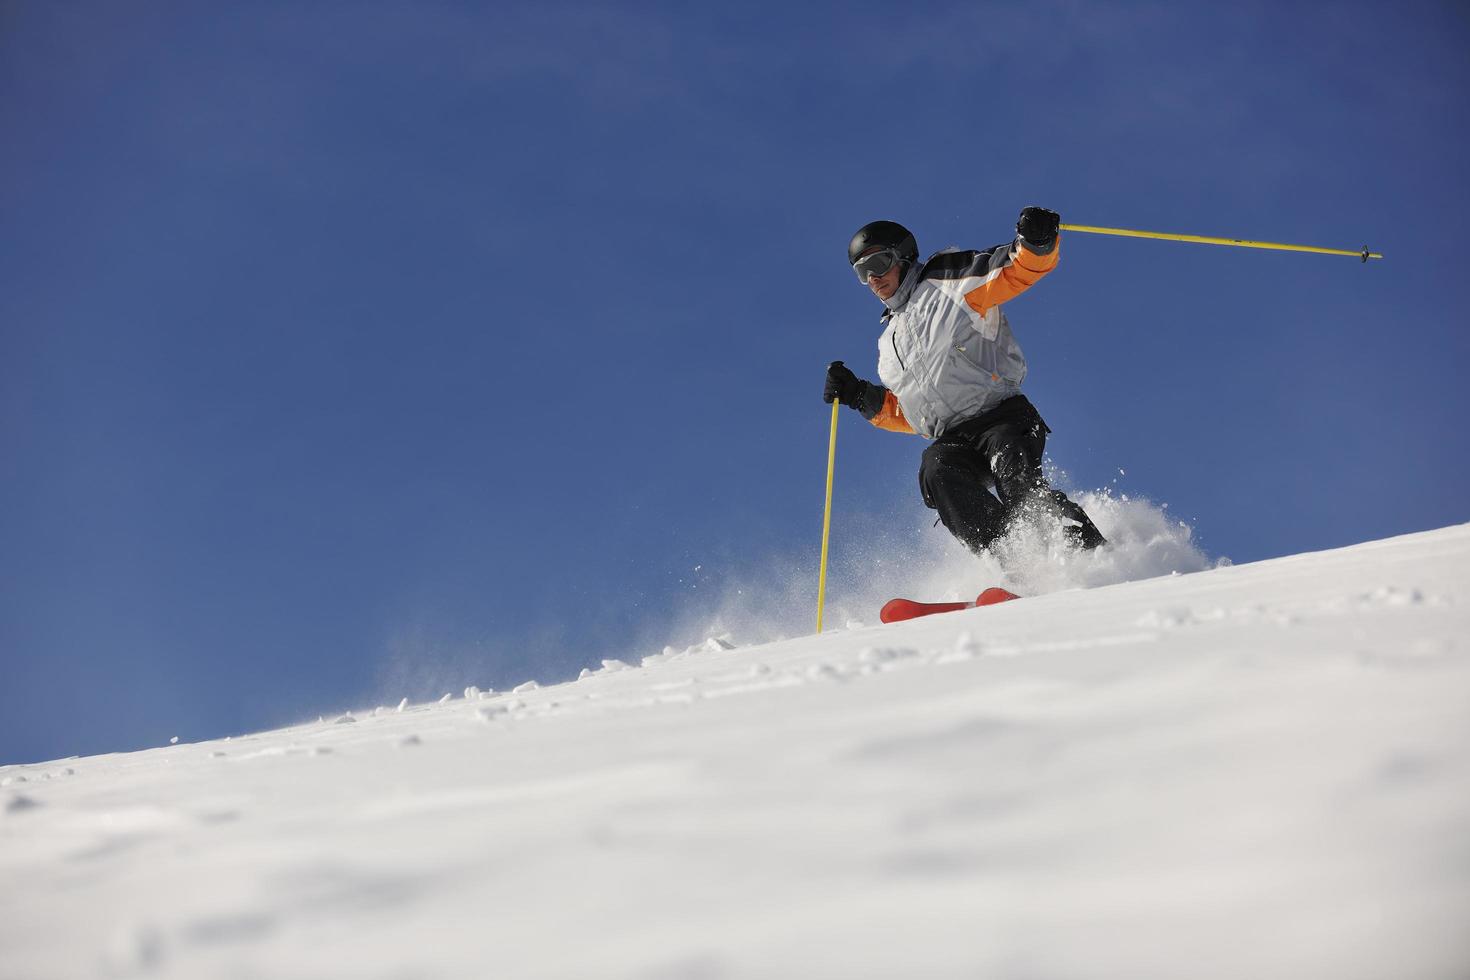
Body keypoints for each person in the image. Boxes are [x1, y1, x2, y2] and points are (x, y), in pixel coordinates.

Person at [824, 208, 1106, 556]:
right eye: (862, 273)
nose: (873, 279)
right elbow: (915, 412)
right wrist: (859, 396)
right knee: (936, 469)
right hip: (955, 438)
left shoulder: (949, 281)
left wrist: (1037, 242)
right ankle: (1013, 559)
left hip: (1002, 417)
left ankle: (1083, 550)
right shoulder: (889, 342)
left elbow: (1014, 270)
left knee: (1014, 476)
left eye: (878, 264)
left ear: (903, 256)